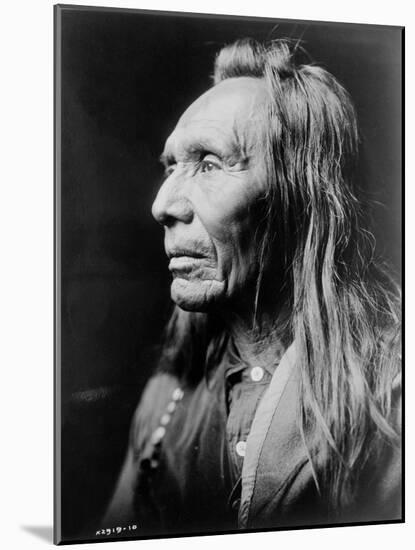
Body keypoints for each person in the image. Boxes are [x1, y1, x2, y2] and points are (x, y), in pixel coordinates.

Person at [102, 38, 401, 536]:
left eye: (211, 164)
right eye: (172, 166)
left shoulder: (394, 395)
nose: (163, 204)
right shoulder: (164, 401)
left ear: (302, 199)